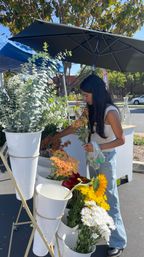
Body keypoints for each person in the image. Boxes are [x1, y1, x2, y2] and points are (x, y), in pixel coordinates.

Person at [41, 74, 127, 257]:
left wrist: (98, 146)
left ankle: (118, 241)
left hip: (106, 157)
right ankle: (101, 230)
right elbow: (75, 126)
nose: (83, 98)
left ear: (96, 93)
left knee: (110, 197)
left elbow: (121, 140)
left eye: (86, 95)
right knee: (95, 195)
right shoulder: (91, 109)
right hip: (93, 156)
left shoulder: (110, 112)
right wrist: (57, 136)